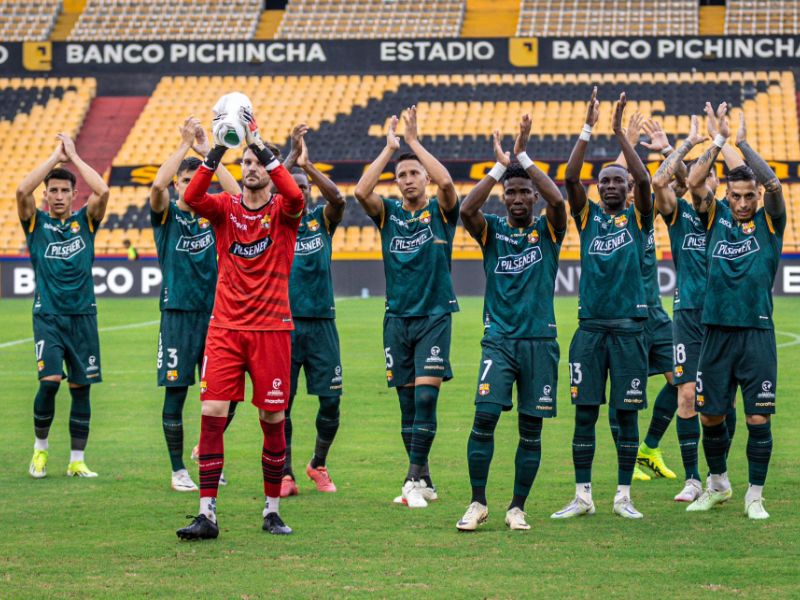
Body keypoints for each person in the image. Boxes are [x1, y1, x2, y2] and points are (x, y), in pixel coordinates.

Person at [175, 108, 304, 539]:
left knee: (272, 418)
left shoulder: (283, 212)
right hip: (226, 329)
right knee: (212, 412)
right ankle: (207, 514)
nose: (250, 167)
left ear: (268, 168)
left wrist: (260, 144)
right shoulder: (224, 208)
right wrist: (214, 151)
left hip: (271, 330)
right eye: (245, 161)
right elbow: (192, 198)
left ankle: (272, 511)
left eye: (257, 162)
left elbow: (296, 195)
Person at [456, 116, 566, 531]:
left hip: (540, 342)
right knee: (484, 418)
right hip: (499, 341)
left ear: (534, 196)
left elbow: (560, 203)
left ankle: (517, 507)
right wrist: (500, 167)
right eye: (511, 192)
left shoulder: (548, 229)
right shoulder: (493, 232)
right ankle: (477, 502)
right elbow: (466, 209)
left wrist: (524, 158)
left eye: (524, 192)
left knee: (530, 430)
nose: (517, 198)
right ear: (503, 197)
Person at [551, 89, 653, 520]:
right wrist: (588, 129)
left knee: (626, 417)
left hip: (629, 330)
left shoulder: (638, 217)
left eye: (618, 181)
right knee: (585, 414)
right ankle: (583, 496)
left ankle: (623, 496)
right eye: (605, 181)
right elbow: (570, 179)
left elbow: (646, 181)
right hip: (590, 329)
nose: (611, 185)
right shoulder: (588, 217)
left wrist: (620, 135)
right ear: (598, 189)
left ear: (628, 190)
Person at [354, 105, 459, 508]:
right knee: (407, 404)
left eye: (415, 173)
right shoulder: (389, 214)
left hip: (434, 315)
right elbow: (361, 192)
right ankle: (424, 478)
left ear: (425, 178)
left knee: (427, 399)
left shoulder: (440, 211)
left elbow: (447, 182)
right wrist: (389, 150)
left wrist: (414, 143)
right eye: (402, 175)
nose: (409, 179)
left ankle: (412, 479)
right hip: (396, 318)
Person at [685, 109, 785, 520]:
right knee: (711, 415)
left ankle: (754, 496)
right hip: (716, 332)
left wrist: (740, 143)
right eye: (737, 196)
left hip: (756, 333)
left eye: (749, 196)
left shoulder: (771, 223)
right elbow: (694, 183)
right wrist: (717, 142)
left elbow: (774, 184)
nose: (743, 203)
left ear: (757, 197)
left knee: (757, 416)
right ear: (727, 197)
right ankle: (718, 484)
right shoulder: (716, 218)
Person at [650, 106, 744, 502]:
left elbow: (706, 177)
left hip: (724, 315)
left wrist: (723, 139)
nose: (704, 182)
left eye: (710, 177)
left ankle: (717, 474)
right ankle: (692, 478)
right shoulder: (678, 214)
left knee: (723, 401)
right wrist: (682, 143)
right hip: (688, 314)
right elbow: (660, 181)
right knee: (686, 395)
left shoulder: (726, 214)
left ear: (716, 183)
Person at [150, 116, 240, 492]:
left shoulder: (214, 214)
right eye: (185, 181)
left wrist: (210, 155)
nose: (190, 186)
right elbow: (157, 186)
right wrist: (185, 146)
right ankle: (178, 471)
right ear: (177, 184)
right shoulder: (167, 216)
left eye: (195, 180)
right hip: (177, 315)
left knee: (227, 395)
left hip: (217, 316)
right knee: (176, 392)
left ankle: (206, 451)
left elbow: (239, 197)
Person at [17, 133, 109, 479]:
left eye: (64, 191)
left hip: (83, 315)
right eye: (52, 190)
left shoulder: (85, 221)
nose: (57, 196)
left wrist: (75, 158)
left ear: (73, 194)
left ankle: (76, 460)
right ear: (46, 194)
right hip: (49, 317)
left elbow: (103, 192)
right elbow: (21, 191)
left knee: (81, 388)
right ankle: (40, 450)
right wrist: (55, 160)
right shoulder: (36, 223)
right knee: (50, 380)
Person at [279, 124, 346, 496]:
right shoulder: (275, 221)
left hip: (322, 323)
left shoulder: (322, 219)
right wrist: (290, 160)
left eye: (304, 187)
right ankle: (285, 473)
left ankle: (318, 463)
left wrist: (308, 167)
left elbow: (338, 200)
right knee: (281, 404)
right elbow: (261, 186)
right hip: (283, 325)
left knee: (331, 401)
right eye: (294, 186)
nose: (301, 191)